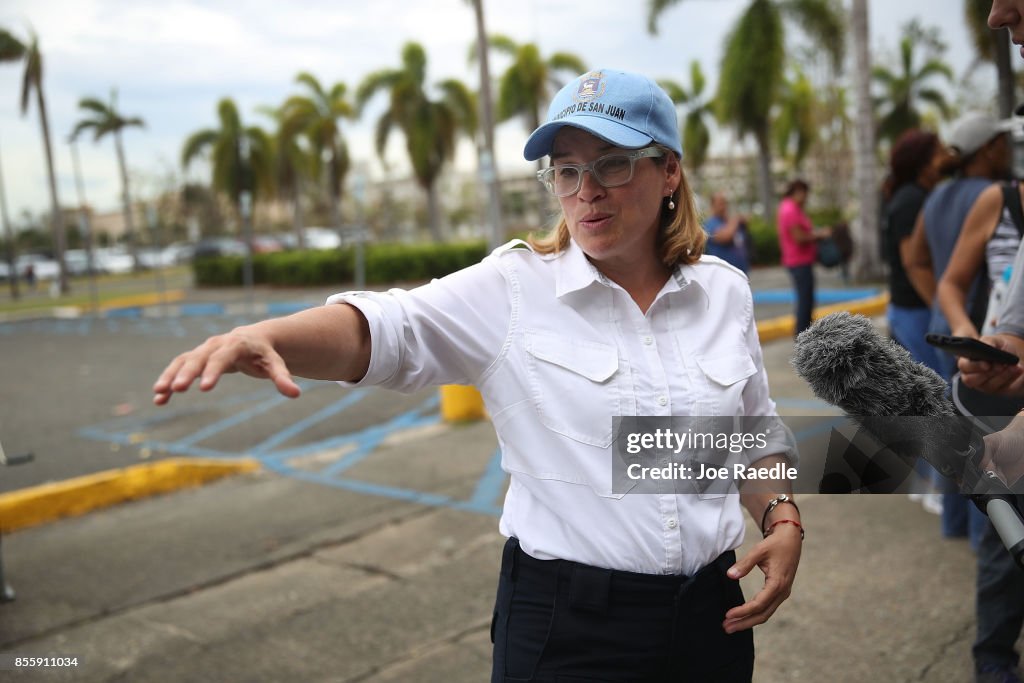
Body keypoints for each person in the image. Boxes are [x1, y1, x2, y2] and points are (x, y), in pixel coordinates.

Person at [153, 69, 802, 683]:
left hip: (711, 615)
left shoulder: (723, 293)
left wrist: (780, 519)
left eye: (611, 162)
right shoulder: (516, 289)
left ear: (669, 171)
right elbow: (391, 326)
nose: (586, 190)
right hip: (572, 627)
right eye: (567, 170)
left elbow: (747, 432)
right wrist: (266, 337)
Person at [903, 111, 1015, 543]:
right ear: (988, 149)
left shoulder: (937, 196)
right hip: (986, 336)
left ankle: (956, 526)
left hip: (945, 329)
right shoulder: (997, 194)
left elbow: (915, 259)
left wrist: (942, 305)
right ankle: (985, 535)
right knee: (984, 441)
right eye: (1002, 142)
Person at [882, 129, 946, 374]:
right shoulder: (911, 200)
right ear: (923, 163)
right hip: (915, 309)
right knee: (936, 386)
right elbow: (912, 262)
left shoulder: (916, 196)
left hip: (912, 308)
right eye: (938, 153)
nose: (944, 158)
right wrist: (944, 311)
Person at [776, 179, 830, 336]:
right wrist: (820, 235)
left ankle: (805, 335)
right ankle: (802, 336)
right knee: (805, 302)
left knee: (806, 300)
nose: (806, 198)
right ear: (798, 192)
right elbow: (799, 237)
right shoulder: (790, 209)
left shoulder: (791, 208)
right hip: (798, 261)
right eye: (805, 194)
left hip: (801, 260)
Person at [703, 191, 751, 273]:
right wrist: (736, 220)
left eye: (725, 203)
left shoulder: (729, 222)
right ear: (712, 205)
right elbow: (725, 237)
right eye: (720, 203)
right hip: (722, 275)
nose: (724, 207)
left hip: (741, 273)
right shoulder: (710, 224)